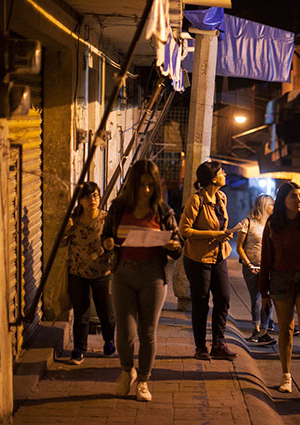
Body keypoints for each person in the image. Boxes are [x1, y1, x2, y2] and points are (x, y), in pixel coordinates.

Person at [102, 160, 182, 402]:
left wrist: (174, 245)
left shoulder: (164, 212)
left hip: (152, 276)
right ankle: (127, 371)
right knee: (125, 332)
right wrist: (106, 243)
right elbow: (106, 236)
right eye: (141, 185)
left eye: (150, 185)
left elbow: (178, 246)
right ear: (132, 185)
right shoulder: (118, 208)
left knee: (147, 331)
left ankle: (144, 381)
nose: (146, 190)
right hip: (123, 273)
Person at [259, 182, 300, 397]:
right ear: (283, 200)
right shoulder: (272, 224)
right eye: (293, 197)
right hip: (279, 280)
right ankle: (286, 376)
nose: (298, 200)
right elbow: (266, 259)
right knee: (285, 329)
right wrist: (264, 293)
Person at [179, 161, 237, 361]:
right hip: (198, 258)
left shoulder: (222, 198)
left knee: (223, 298)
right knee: (201, 302)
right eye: (222, 172)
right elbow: (184, 230)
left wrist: (224, 236)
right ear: (213, 178)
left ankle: (218, 344)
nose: (225, 174)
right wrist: (215, 234)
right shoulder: (196, 201)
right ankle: (200, 347)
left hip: (219, 256)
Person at [62, 181, 115, 365]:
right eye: (88, 196)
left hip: (102, 271)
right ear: (80, 200)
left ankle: (109, 341)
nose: (92, 199)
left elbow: (115, 245)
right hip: (77, 272)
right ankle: (79, 350)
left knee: (106, 312)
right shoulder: (73, 221)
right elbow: (60, 244)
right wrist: (65, 231)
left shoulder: (106, 219)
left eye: (95, 195)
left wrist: (111, 246)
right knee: (81, 313)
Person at [237, 194, 276, 346]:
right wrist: (248, 264)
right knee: (256, 298)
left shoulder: (272, 224)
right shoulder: (247, 223)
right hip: (251, 266)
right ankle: (257, 328)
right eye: (271, 205)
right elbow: (239, 247)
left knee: (268, 298)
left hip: (268, 267)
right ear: (263, 205)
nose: (273, 208)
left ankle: (264, 331)